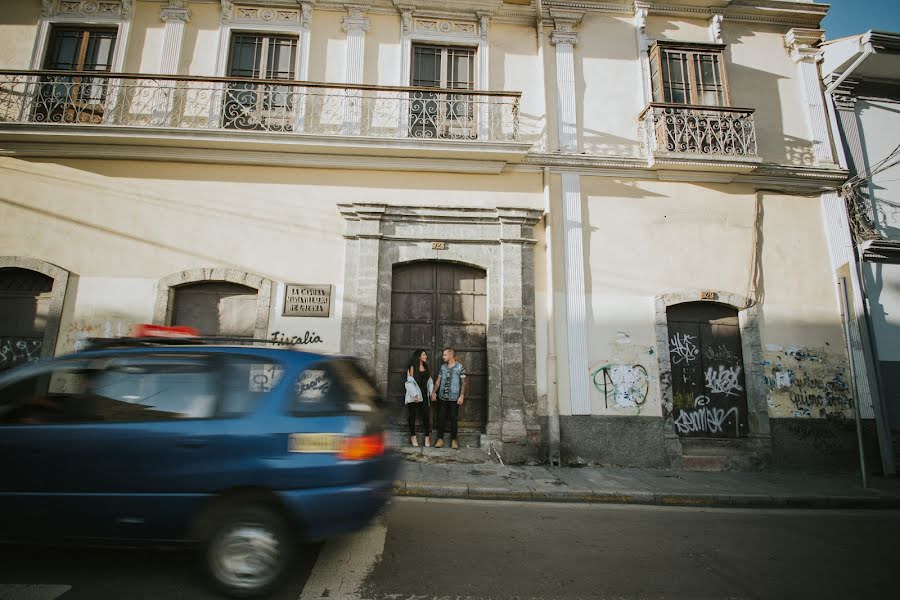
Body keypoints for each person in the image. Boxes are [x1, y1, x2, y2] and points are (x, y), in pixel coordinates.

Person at [431, 346, 466, 449]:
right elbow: (438, 381)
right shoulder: (443, 367)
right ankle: (440, 439)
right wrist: (433, 392)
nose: (443, 357)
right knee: (441, 418)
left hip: (454, 398)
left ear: (451, 355)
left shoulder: (460, 367)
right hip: (442, 397)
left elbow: (463, 383)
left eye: (445, 355)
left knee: (453, 419)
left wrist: (462, 396)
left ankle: (454, 440)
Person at [404, 348, 433, 447]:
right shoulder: (412, 367)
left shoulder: (426, 367)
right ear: (419, 356)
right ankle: (413, 436)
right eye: (424, 355)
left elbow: (430, 381)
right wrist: (415, 394)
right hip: (414, 395)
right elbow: (410, 381)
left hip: (424, 395)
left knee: (426, 416)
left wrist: (432, 392)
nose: (426, 356)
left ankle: (427, 437)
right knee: (412, 416)